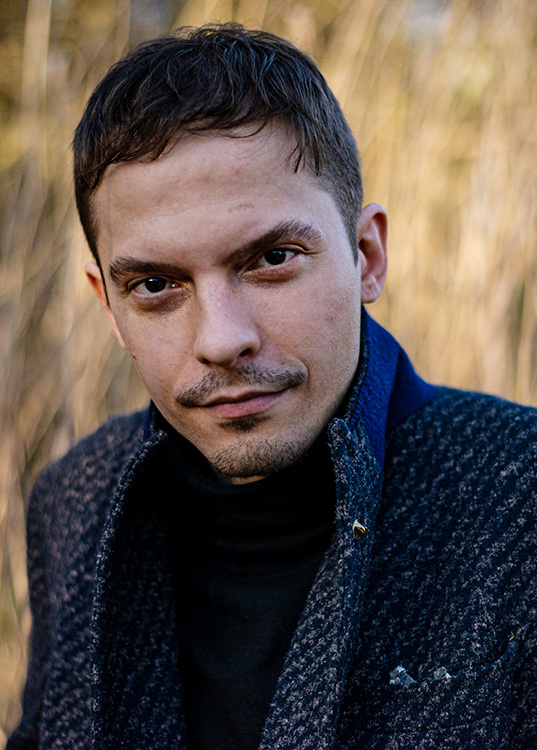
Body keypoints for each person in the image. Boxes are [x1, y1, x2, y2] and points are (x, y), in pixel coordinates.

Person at [8, 23, 537, 750]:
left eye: (271, 259)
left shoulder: (519, 493)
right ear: (110, 309)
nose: (221, 339)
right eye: (155, 285)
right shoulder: (73, 503)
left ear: (366, 256)